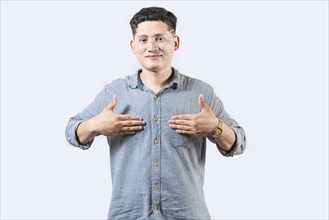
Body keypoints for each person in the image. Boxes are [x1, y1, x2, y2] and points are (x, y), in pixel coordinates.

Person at [65, 6, 246, 220]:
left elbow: (238, 142)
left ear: (175, 43)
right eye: (143, 40)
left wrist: (215, 127)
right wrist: (95, 125)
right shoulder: (115, 92)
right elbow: (72, 132)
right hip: (128, 215)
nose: (151, 47)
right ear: (133, 46)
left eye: (160, 38)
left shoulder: (200, 93)